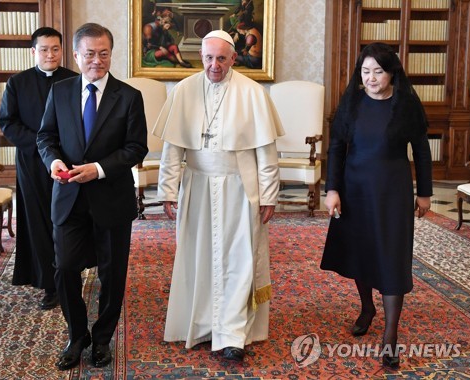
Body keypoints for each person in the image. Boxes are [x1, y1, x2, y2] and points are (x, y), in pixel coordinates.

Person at [153, 30, 284, 362]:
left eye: (221, 58)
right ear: (201, 55)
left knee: (239, 259)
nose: (214, 65)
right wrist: (168, 189)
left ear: (233, 59)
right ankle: (199, 326)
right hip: (196, 185)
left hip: (240, 186)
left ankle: (233, 334)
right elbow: (172, 149)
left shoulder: (252, 92)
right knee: (198, 257)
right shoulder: (183, 90)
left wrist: (268, 195)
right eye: (209, 58)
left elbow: (266, 153)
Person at [36, 23, 148, 370]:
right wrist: (54, 160)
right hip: (68, 196)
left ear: (111, 54)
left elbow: (136, 148)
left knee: (112, 275)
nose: (96, 61)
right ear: (76, 55)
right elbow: (45, 137)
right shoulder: (61, 91)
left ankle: (101, 339)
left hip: (111, 198)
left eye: (103, 53)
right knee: (65, 267)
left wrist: (98, 168)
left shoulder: (129, 96)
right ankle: (77, 334)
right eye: (89, 54)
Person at [320, 42, 433, 370]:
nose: (371, 78)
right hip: (354, 189)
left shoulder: (406, 103)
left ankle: (390, 336)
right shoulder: (352, 102)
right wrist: (332, 190)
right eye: (365, 71)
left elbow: (422, 152)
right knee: (361, 252)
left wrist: (424, 193)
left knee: (392, 257)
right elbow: (337, 147)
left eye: (378, 72)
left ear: (392, 72)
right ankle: (367, 307)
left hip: (392, 191)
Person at [0, 27, 78, 310]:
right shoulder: (17, 83)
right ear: (33, 52)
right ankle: (49, 284)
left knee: (68, 220)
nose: (50, 54)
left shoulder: (74, 80)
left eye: (55, 49)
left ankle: (71, 274)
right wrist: (43, 147)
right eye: (44, 49)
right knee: (39, 222)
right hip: (32, 163)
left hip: (68, 162)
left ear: (62, 50)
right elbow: (8, 122)